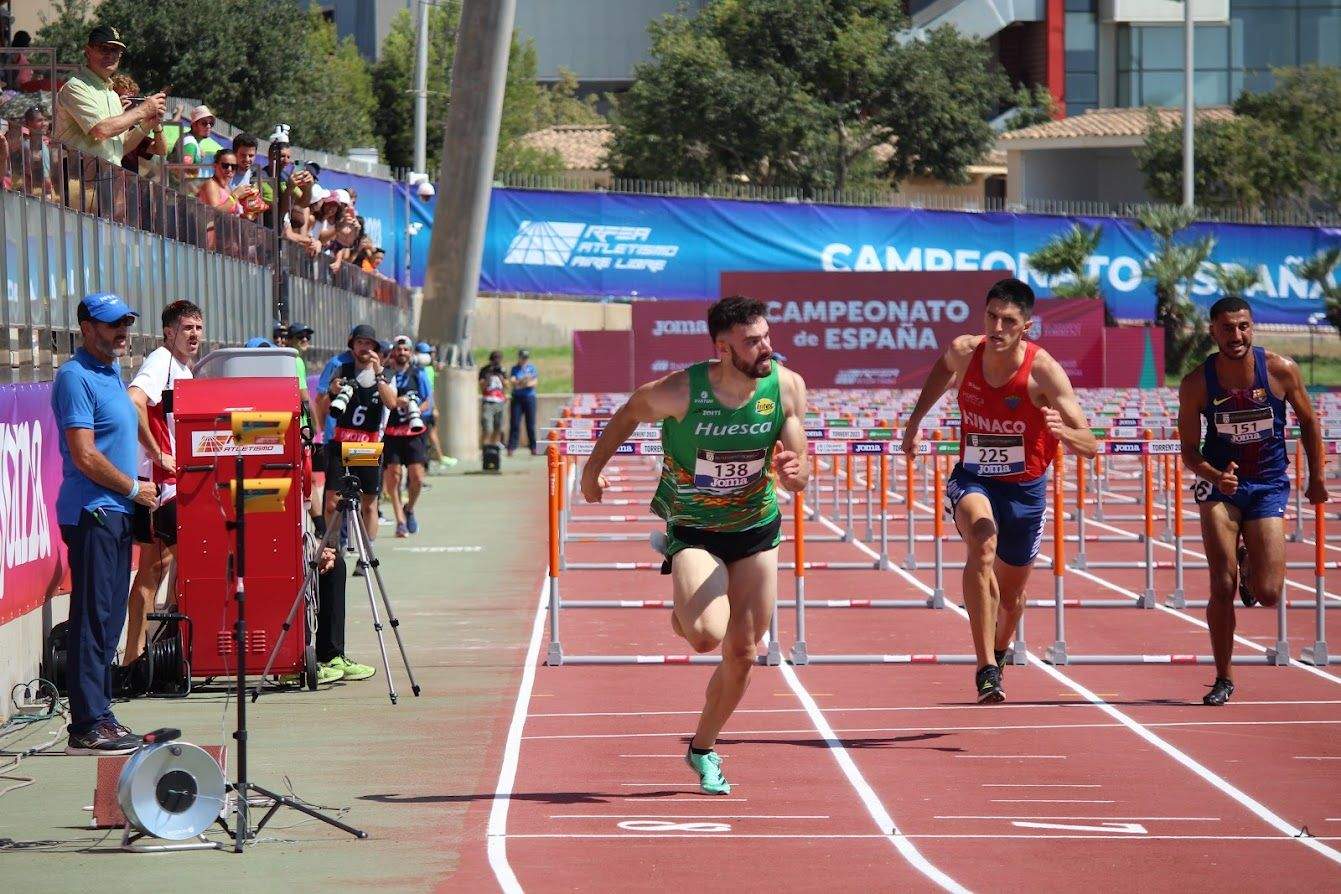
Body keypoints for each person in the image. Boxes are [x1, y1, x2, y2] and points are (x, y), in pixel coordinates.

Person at [579, 296, 808, 795]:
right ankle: (686, 612)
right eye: (753, 341)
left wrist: (796, 472)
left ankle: (701, 749)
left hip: (755, 528)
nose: (766, 347)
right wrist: (590, 471)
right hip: (694, 527)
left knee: (744, 653)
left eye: (767, 336)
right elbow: (626, 415)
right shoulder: (681, 391)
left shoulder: (785, 387)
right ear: (723, 348)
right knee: (705, 636)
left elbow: (799, 467)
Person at [901, 278, 1096, 704]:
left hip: (1025, 490)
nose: (998, 326)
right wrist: (916, 421)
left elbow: (1091, 445)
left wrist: (1065, 433)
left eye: (1009, 320)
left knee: (1012, 597)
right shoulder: (965, 351)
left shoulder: (1043, 370)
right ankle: (984, 666)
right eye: (992, 316)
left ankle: (1000, 652)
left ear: (1026, 326)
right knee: (982, 545)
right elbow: (940, 372)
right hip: (973, 477)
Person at [1177, 296, 1329, 706]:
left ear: (1252, 327)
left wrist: (1315, 478)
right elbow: (1189, 449)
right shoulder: (1196, 383)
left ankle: (1250, 563)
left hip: (1267, 483)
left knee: (1269, 593)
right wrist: (1212, 475)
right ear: (1213, 331)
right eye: (1227, 328)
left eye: (1243, 326)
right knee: (1221, 584)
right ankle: (1223, 676)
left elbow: (1311, 424)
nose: (1236, 336)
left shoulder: (1280, 369)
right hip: (1220, 487)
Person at [53, 292, 159, 754]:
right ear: (86, 327)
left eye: (125, 324)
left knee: (110, 617)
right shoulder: (74, 377)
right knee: (93, 620)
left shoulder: (111, 371)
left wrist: (154, 452)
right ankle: (85, 725)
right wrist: (134, 488)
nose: (122, 332)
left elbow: (130, 416)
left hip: (114, 510)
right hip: (93, 511)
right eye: (112, 324)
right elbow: (84, 454)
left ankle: (101, 713)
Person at [124, 299, 202, 667]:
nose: (195, 335)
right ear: (168, 332)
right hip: (159, 485)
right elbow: (134, 400)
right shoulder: (160, 362)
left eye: (199, 328)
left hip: (177, 482)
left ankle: (164, 648)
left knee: (176, 563)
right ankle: (131, 659)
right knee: (154, 567)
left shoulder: (184, 369)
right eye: (187, 328)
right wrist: (157, 454)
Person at [52, 25, 165, 214]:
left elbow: (119, 147)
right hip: (78, 179)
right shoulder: (76, 87)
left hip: (107, 182)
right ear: (88, 51)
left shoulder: (112, 95)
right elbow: (101, 130)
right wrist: (143, 110)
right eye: (104, 48)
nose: (110, 55)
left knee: (100, 241)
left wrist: (146, 125)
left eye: (116, 50)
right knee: (80, 240)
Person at [319, 324, 396, 545]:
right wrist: (332, 392)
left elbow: (391, 403)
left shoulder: (386, 374)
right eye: (360, 342)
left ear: (375, 348)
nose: (364, 347)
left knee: (369, 503)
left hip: (366, 446)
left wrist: (379, 373)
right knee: (332, 503)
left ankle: (367, 551)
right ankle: (334, 550)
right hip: (341, 443)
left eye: (369, 344)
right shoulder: (341, 370)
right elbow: (323, 405)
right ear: (353, 346)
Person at [382, 336, 433, 537]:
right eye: (398, 349)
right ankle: (399, 521)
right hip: (392, 432)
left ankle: (409, 509)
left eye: (405, 349)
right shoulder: (387, 374)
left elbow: (428, 401)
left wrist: (415, 411)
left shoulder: (418, 373)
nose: (402, 352)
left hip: (413, 432)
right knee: (393, 476)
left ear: (410, 353)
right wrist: (396, 402)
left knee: (417, 478)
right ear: (394, 352)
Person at [507, 348, 539, 456]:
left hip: (529, 398)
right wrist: (523, 381)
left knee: (530, 424)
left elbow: (533, 383)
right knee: (515, 423)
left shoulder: (531, 368)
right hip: (517, 398)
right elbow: (513, 382)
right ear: (519, 358)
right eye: (522, 358)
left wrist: (522, 383)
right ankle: (511, 446)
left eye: (526, 358)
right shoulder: (515, 369)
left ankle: (533, 446)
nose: (524, 360)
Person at [181, 104, 222, 182]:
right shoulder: (190, 144)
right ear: (194, 125)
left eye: (211, 123)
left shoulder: (190, 140)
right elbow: (184, 170)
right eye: (204, 123)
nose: (208, 126)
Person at [478, 350, 507, 448]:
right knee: (487, 428)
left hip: (500, 402)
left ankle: (494, 448)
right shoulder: (484, 370)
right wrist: (488, 376)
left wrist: (501, 376)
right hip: (488, 402)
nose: (496, 361)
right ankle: (484, 449)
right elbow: (481, 387)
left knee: (498, 428)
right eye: (495, 359)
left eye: (498, 359)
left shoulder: (502, 370)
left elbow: (506, 385)